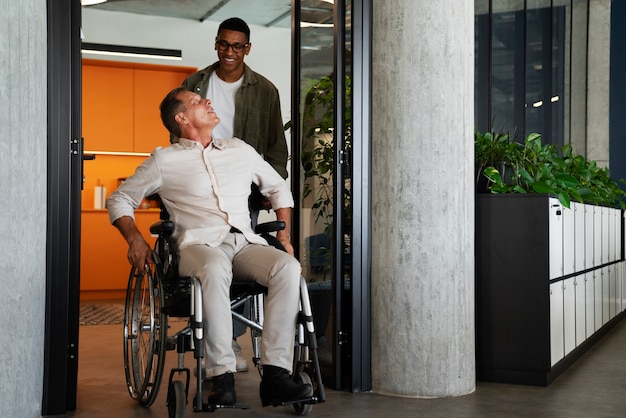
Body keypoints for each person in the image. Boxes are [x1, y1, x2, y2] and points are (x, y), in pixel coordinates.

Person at [107, 86, 312, 407]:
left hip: (244, 241)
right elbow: (120, 198)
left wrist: (284, 239)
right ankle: (221, 376)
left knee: (287, 267)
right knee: (215, 266)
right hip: (196, 246)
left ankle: (276, 375)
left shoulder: (239, 149)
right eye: (196, 101)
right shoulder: (164, 159)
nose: (207, 102)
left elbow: (277, 186)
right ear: (182, 118)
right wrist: (135, 239)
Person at [179, 17, 289, 371]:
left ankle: (233, 340)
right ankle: (221, 341)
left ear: (248, 49)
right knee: (215, 265)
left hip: (244, 193)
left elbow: (276, 148)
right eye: (224, 44)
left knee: (240, 268)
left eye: (237, 46)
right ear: (216, 44)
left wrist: (266, 192)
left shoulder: (265, 90)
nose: (230, 52)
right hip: (200, 189)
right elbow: (178, 133)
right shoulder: (195, 83)